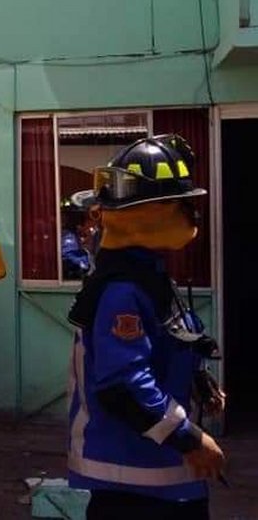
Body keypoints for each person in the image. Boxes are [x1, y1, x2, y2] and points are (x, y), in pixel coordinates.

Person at [66, 134, 227, 519]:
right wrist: (190, 439)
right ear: (157, 212)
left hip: (163, 481)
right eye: (182, 203)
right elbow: (123, 385)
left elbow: (167, 340)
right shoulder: (123, 289)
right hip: (137, 485)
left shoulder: (146, 274)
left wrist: (197, 378)